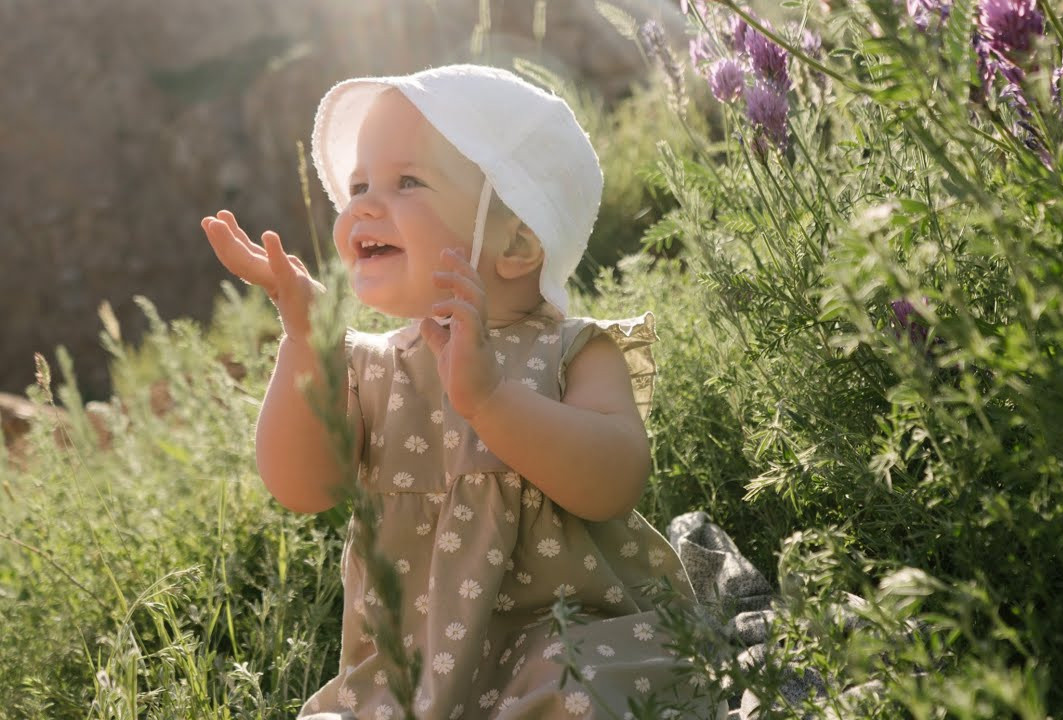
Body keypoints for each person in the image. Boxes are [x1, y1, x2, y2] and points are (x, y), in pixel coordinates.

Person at [202, 64, 717, 719]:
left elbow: (614, 482)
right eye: (359, 184)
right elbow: (304, 488)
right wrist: (307, 339)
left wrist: (492, 401)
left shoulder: (575, 352)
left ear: (519, 240)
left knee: (579, 702)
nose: (362, 205)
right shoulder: (367, 367)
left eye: (406, 181)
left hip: (565, 639)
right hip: (408, 674)